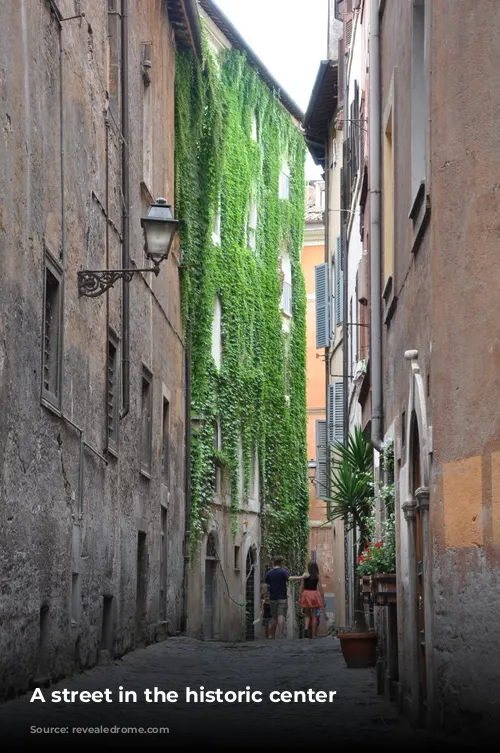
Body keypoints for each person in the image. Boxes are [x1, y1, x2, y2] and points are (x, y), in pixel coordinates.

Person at [264, 556, 293, 639]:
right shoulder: (283, 571)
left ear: (274, 563)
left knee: (274, 616)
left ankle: (272, 635)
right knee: (281, 615)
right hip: (282, 597)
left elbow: (265, 585)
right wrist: (301, 577)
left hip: (273, 598)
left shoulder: (269, 573)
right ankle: (280, 634)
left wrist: (265, 596)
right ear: (281, 563)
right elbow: (289, 578)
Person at [298, 561, 327, 639]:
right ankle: (314, 635)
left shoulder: (305, 575)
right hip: (314, 594)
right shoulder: (317, 576)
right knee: (314, 616)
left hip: (306, 594)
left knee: (307, 615)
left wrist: (299, 597)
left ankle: (306, 630)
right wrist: (323, 599)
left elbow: (301, 587)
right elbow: (320, 588)